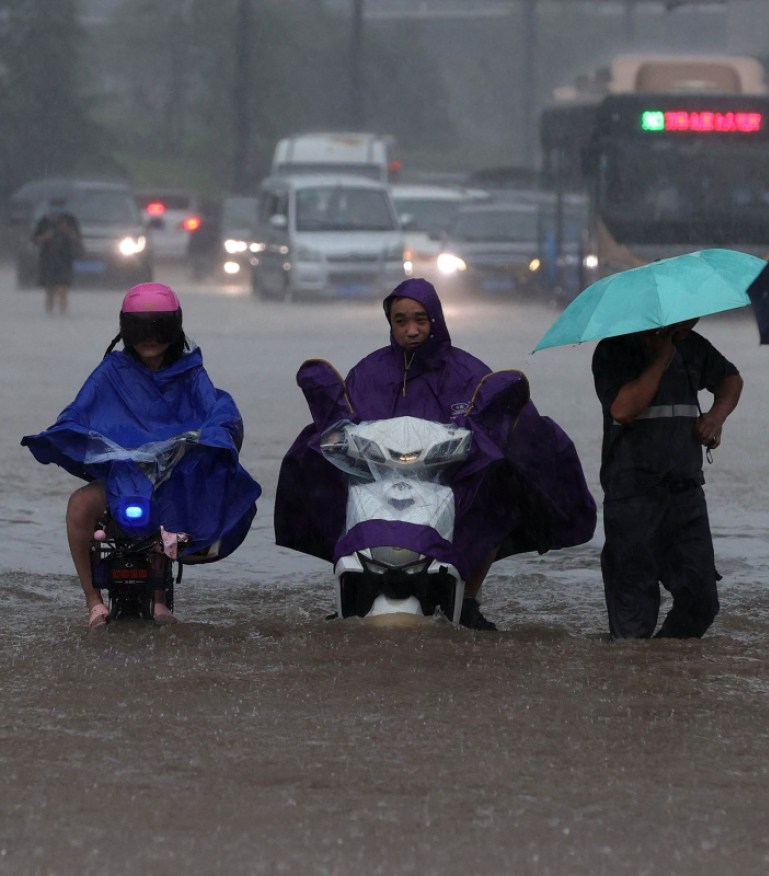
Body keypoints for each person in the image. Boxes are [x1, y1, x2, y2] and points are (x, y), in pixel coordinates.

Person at [275, 277, 595, 630]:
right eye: (401, 321)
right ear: (391, 324)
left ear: (436, 321)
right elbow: (343, 424)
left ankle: (468, 597)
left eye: (420, 320)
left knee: (497, 494)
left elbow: (496, 417)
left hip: (451, 481)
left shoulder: (467, 372)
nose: (411, 330)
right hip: (377, 479)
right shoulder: (368, 373)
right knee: (322, 476)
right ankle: (352, 587)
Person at [22, 283, 261, 627]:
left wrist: (216, 432)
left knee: (171, 509)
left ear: (174, 328)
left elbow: (217, 409)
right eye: (141, 328)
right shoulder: (111, 372)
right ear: (125, 330)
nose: (150, 338)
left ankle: (160, 600)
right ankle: (93, 601)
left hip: (170, 480)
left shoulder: (191, 373)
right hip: (120, 479)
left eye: (159, 328)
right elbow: (80, 408)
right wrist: (68, 430)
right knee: (78, 506)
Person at [592, 318, 743, 639]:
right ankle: (635, 678)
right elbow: (623, 409)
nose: (692, 323)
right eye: (685, 320)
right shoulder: (613, 349)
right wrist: (661, 359)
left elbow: (731, 379)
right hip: (632, 497)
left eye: (694, 319)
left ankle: (668, 674)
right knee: (633, 617)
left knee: (701, 601)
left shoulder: (693, 346)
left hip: (685, 495)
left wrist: (716, 418)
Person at [32, 198, 82, 315]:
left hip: (65, 259)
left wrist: (68, 230)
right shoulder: (44, 221)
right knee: (49, 290)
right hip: (47, 259)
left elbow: (78, 239)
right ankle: (49, 313)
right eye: (54, 205)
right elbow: (34, 240)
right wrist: (45, 236)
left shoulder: (70, 220)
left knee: (63, 289)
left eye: (60, 205)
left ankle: (63, 313)